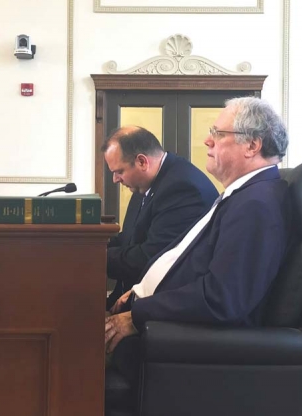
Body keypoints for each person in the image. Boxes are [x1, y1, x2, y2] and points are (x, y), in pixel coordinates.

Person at [105, 97, 292, 359]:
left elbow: (222, 298)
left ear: (252, 145)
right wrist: (140, 291)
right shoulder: (243, 194)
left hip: (182, 337)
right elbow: (185, 257)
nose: (207, 140)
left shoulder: (256, 204)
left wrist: (138, 314)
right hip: (159, 312)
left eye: (218, 133)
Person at [103, 126, 219, 310]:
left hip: (163, 306)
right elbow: (130, 239)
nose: (115, 179)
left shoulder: (182, 188)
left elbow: (151, 258)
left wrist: (96, 258)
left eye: (119, 171)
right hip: (132, 297)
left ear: (142, 162)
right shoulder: (146, 182)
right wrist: (91, 244)